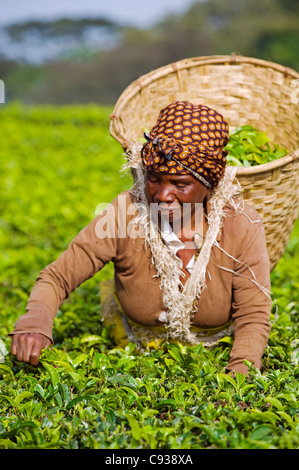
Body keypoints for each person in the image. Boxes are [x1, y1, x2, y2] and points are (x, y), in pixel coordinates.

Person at [9, 101, 271, 375]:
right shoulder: (126, 211)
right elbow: (57, 277)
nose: (162, 195)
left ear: (210, 184)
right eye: (155, 179)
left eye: (181, 184)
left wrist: (240, 373)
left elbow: (253, 313)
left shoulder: (240, 223)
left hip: (217, 350)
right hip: (131, 347)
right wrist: (34, 324)